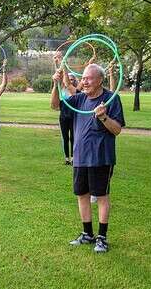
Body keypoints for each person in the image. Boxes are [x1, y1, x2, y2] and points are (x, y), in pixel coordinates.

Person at [50, 63, 125, 253]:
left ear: (100, 80)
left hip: (101, 157)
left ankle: (102, 237)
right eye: (83, 78)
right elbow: (55, 105)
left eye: (89, 78)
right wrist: (55, 84)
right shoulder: (79, 99)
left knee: (101, 196)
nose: (85, 81)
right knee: (82, 195)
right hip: (80, 156)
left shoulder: (111, 99)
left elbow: (117, 130)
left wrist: (104, 118)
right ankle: (87, 234)